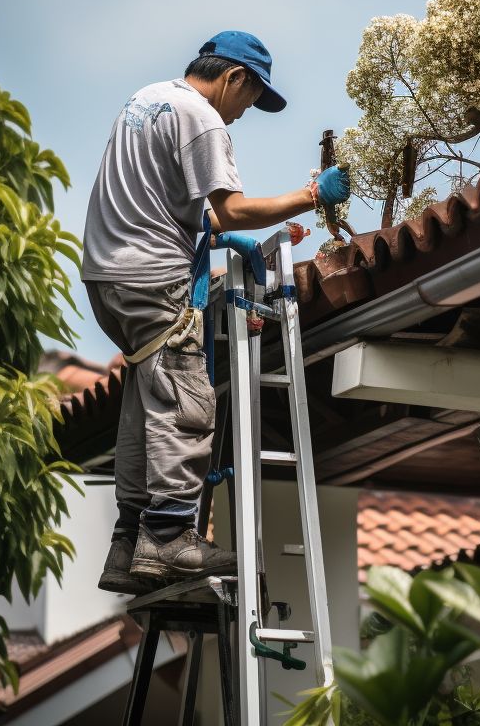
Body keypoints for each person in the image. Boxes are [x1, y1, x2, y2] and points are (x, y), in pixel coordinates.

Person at [80, 30, 349, 593]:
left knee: (146, 403)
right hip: (153, 279)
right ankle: (174, 539)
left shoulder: (145, 101)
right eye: (251, 98)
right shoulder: (202, 117)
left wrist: (220, 241)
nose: (245, 113)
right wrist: (312, 196)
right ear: (234, 78)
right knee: (187, 404)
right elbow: (231, 210)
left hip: (109, 279)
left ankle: (130, 546)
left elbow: (175, 209)